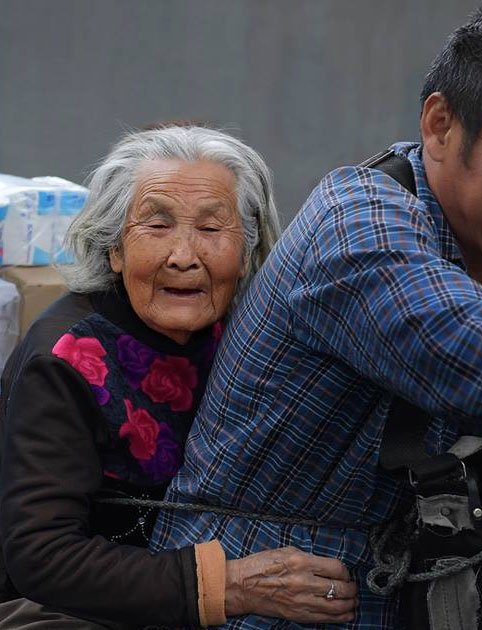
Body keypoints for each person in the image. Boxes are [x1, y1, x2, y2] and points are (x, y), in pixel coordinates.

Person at [153, 7, 482, 627]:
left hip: (414, 586)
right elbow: (481, 362)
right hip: (265, 598)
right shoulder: (356, 226)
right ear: (441, 126)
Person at [0, 127, 358, 628]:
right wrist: (232, 586)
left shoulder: (242, 329)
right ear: (116, 249)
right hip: (58, 608)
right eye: (157, 225)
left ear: (248, 250)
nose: (184, 256)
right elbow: (43, 556)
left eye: (212, 230)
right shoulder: (67, 358)